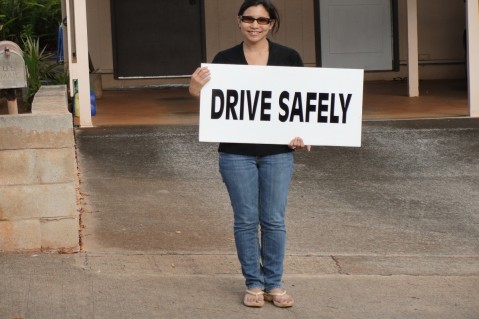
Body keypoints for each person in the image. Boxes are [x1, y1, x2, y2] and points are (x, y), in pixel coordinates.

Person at [189, 0, 310, 308]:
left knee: (273, 219)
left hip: (278, 152)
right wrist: (194, 89)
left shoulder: (289, 57)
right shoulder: (224, 59)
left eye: (262, 20)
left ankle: (274, 284)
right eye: (249, 19)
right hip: (235, 153)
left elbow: (303, 102)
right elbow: (214, 106)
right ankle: (254, 285)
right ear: (239, 21)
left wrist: (304, 133)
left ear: (272, 24)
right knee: (245, 219)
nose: (255, 24)